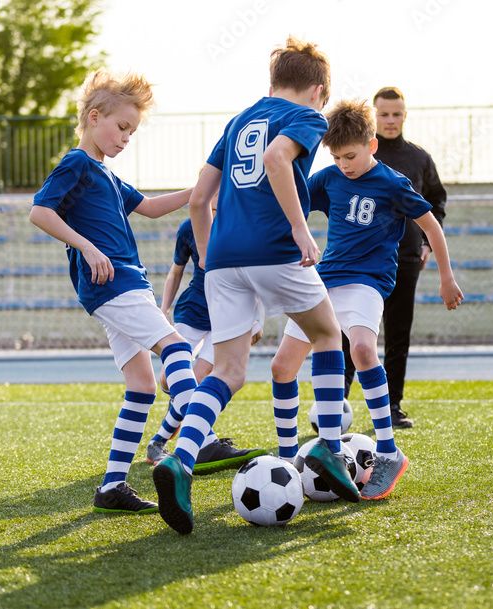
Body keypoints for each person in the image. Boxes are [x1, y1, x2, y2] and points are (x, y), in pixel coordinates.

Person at [151, 36, 358, 535]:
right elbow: (276, 160)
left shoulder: (239, 120)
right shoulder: (307, 116)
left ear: (273, 82)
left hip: (222, 260)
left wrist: (208, 256)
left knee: (228, 371)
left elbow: (198, 199)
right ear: (319, 90)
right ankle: (329, 448)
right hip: (274, 248)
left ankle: (180, 460)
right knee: (328, 335)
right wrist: (300, 228)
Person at [30, 68, 202, 515]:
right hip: (115, 284)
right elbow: (39, 212)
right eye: (122, 127)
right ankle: (199, 435)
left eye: (132, 132)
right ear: (94, 117)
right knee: (177, 346)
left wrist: (202, 188)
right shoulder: (77, 164)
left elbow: (151, 207)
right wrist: (87, 247)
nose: (126, 138)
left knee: (142, 386)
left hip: (122, 286)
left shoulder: (106, 174)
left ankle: (111, 488)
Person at [271, 99, 462, 499]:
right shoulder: (329, 178)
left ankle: (389, 452)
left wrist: (446, 277)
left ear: (371, 146)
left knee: (361, 349)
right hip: (325, 280)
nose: (344, 165)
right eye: (337, 157)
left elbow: (432, 226)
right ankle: (288, 461)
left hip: (367, 281)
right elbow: (292, 201)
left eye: (351, 156)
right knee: (282, 366)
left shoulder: (392, 183)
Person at [341, 87, 447, 428]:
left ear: (405, 115)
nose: (390, 120)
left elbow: (436, 202)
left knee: (398, 334)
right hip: (359, 263)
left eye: (396, 114)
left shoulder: (419, 159)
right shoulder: (356, 153)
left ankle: (392, 406)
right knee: (349, 334)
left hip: (405, 259)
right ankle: (337, 402)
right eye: (383, 114)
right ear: (373, 116)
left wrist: (426, 244)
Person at [144, 215, 268, 474]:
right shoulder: (189, 227)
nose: (214, 197)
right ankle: (185, 416)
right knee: (167, 379)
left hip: (226, 316)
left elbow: (255, 275)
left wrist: (257, 319)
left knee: (197, 381)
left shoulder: (243, 221)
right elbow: (176, 270)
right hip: (192, 310)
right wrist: (164, 308)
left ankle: (158, 442)